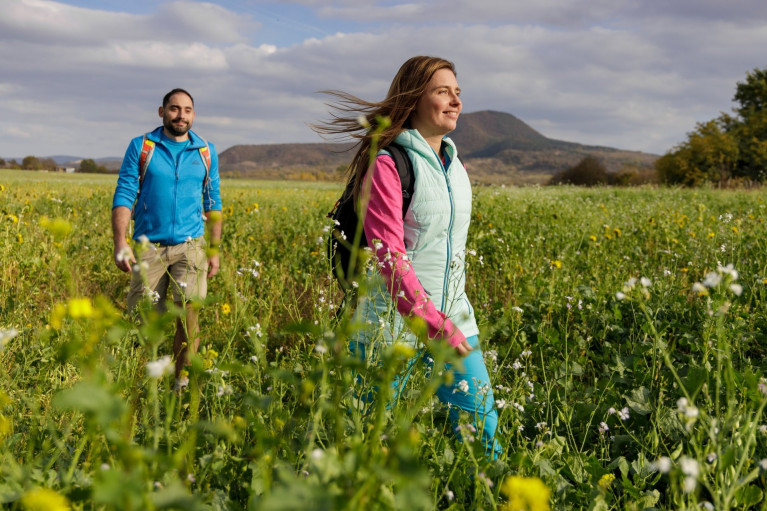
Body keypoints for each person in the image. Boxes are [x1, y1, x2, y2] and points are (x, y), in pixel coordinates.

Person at [314, 56, 502, 458]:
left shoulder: (456, 165)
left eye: (457, 93)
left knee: (483, 428)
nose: (454, 102)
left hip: (454, 317)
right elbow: (390, 257)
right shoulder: (388, 164)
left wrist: (448, 319)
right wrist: (433, 324)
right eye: (442, 92)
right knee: (367, 438)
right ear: (416, 100)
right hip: (388, 326)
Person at [111, 88, 222, 384]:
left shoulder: (205, 151)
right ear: (162, 112)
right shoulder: (142, 146)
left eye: (187, 110)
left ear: (193, 115)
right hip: (150, 248)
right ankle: (146, 387)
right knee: (145, 323)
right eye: (174, 109)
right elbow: (124, 193)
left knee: (189, 322)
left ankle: (180, 387)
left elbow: (213, 202)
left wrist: (214, 249)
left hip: (191, 248)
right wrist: (120, 242)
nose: (181, 115)